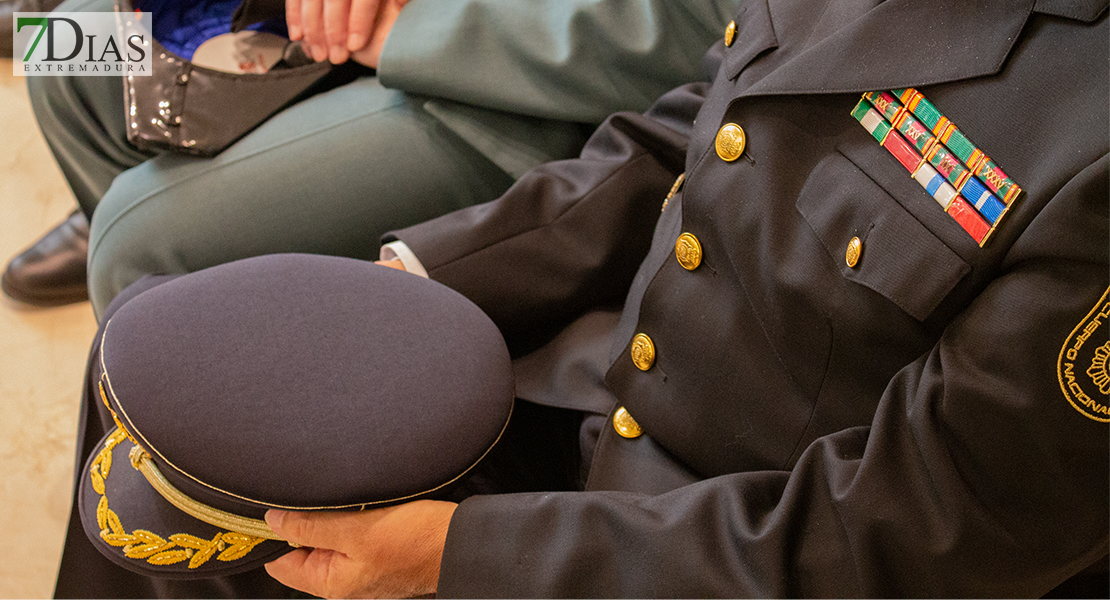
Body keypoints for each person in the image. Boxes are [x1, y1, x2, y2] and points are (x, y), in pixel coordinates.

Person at [58, 0, 1109, 597]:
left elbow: (924, 539)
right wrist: (423, 279)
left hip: (716, 549)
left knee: (157, 267)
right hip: (598, 398)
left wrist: (462, 559)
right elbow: (692, 130)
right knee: (154, 411)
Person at [2, 0, 739, 313]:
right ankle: (151, 183)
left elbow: (707, 21)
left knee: (137, 242)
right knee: (63, 47)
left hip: (529, 84)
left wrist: (426, 22)